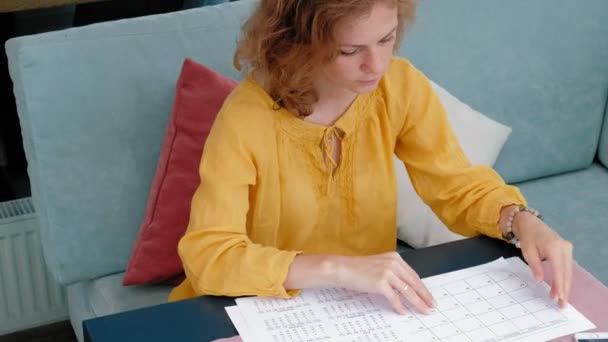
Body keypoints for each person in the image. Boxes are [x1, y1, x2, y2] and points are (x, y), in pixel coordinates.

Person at [168, 0, 573, 318]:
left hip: (367, 306)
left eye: (387, 39)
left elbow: (456, 186)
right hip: (257, 308)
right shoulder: (246, 119)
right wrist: (336, 269)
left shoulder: (400, 86)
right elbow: (210, 256)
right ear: (298, 42)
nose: (376, 65)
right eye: (350, 50)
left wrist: (520, 220)